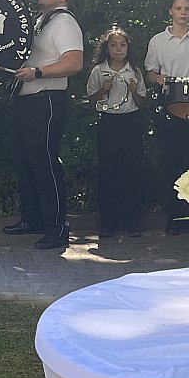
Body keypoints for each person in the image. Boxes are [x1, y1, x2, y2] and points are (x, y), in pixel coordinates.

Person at [2, 0, 85, 252]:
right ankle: (33, 219)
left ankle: (57, 228)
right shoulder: (41, 21)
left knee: (45, 163)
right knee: (26, 162)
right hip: (28, 99)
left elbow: (74, 62)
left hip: (47, 100)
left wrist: (38, 73)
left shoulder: (64, 23)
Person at [143, 0, 189, 234]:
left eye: (187, 8)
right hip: (169, 103)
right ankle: (174, 216)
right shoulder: (158, 41)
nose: (183, 13)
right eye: (178, 8)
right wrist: (159, 79)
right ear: (170, 11)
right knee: (171, 160)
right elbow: (150, 72)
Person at [85, 26, 145, 248]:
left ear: (128, 48)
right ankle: (108, 223)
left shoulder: (134, 71)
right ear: (107, 49)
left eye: (122, 45)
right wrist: (104, 90)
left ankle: (132, 222)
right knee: (108, 173)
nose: (118, 49)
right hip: (108, 123)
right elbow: (91, 102)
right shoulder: (99, 71)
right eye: (113, 45)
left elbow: (142, 103)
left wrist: (134, 91)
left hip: (130, 123)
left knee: (132, 172)